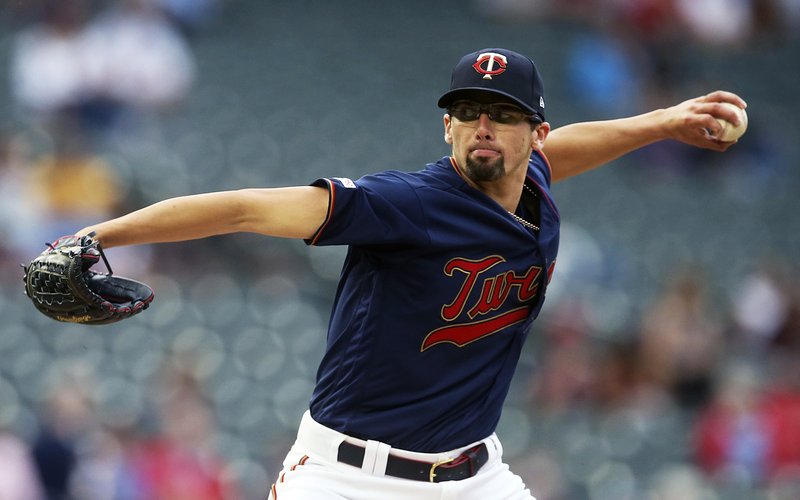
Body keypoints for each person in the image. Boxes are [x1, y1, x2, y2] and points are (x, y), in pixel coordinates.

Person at [70, 48, 746, 499]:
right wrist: (100, 234)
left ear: (533, 134)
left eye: (504, 115)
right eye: (468, 112)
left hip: (474, 475)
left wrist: (661, 122)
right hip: (346, 477)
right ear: (445, 128)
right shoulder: (407, 205)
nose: (484, 126)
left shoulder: (533, 179)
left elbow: (562, 153)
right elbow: (247, 208)